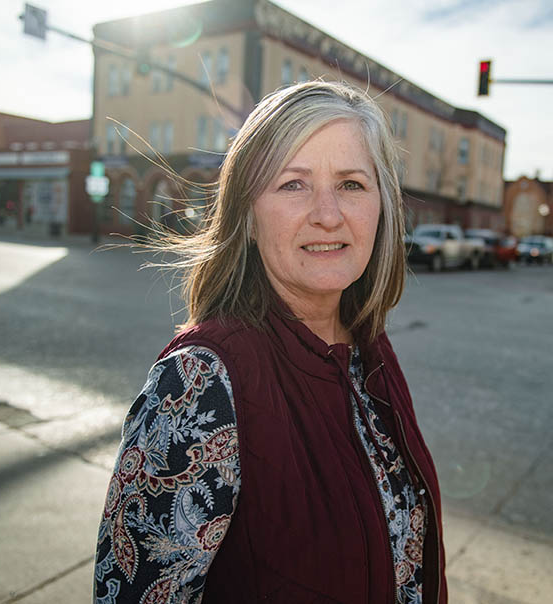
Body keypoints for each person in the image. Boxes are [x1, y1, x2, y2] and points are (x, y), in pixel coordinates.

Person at [93, 81, 447, 603]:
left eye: (351, 184)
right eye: (292, 184)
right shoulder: (200, 384)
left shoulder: (371, 351)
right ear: (248, 217)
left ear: (382, 207)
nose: (329, 213)